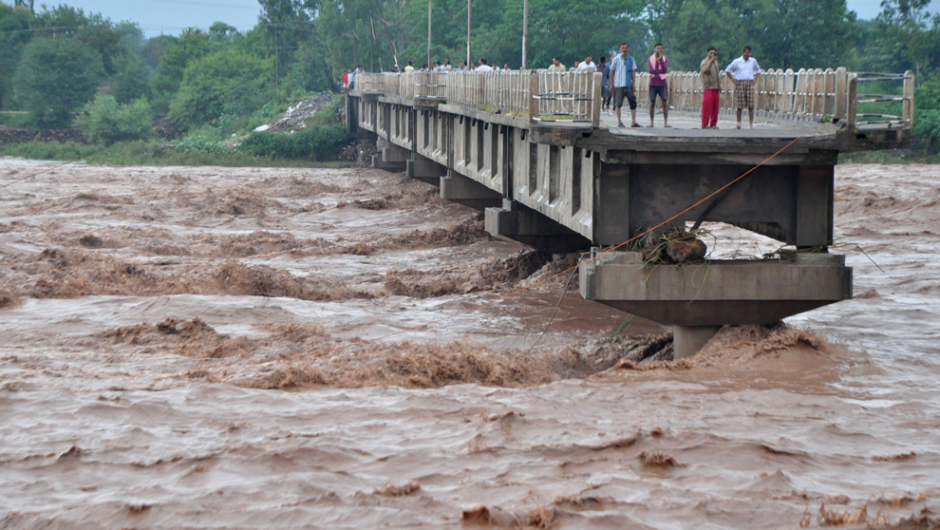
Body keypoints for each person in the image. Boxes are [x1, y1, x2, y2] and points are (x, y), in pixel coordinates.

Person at [725, 45, 761, 129]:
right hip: (740, 83)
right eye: (747, 52)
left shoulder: (753, 61)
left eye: (750, 53)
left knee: (751, 105)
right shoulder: (737, 61)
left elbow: (758, 70)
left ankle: (751, 124)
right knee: (739, 105)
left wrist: (755, 80)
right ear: (743, 52)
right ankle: (738, 124)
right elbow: (727, 70)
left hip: (749, 83)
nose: (749, 54)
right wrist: (733, 80)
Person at [609, 42, 639, 128]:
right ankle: (619, 121)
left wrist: (634, 84)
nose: (624, 49)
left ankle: (633, 121)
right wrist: (611, 84)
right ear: (620, 49)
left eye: (625, 48)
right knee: (618, 103)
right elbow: (612, 72)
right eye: (622, 48)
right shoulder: (616, 59)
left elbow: (633, 72)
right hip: (618, 85)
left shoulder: (631, 59)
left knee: (632, 102)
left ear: (628, 49)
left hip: (628, 85)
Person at [647, 43, 669, 127]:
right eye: (658, 48)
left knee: (664, 102)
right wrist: (659, 70)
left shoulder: (665, 59)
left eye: (660, 48)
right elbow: (651, 70)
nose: (659, 50)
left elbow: (664, 69)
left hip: (662, 83)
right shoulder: (650, 59)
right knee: (652, 102)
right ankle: (651, 122)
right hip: (653, 83)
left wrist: (660, 61)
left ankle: (665, 122)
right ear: (654, 49)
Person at [700, 46, 720, 129]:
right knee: (707, 107)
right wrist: (710, 61)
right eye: (710, 53)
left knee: (715, 107)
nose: (712, 55)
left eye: (714, 53)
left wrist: (719, 86)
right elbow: (704, 70)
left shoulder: (716, 63)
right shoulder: (704, 62)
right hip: (708, 87)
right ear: (707, 53)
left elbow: (717, 75)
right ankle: (704, 124)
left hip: (715, 87)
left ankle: (713, 124)